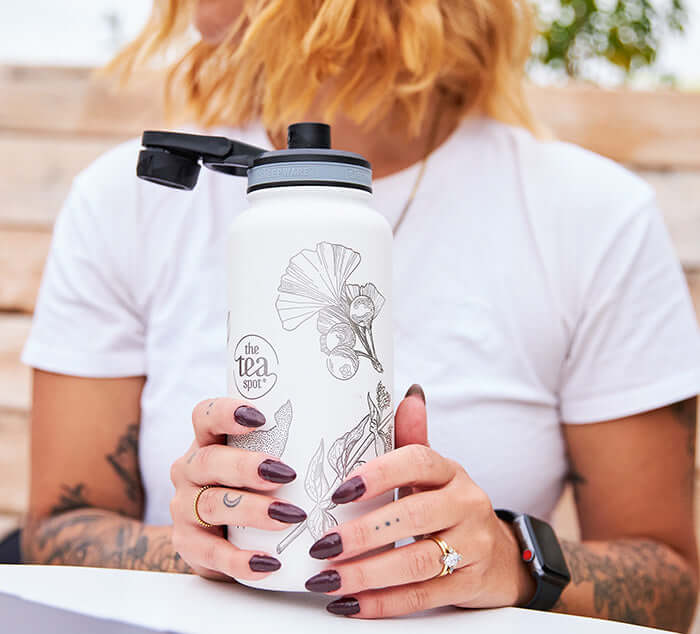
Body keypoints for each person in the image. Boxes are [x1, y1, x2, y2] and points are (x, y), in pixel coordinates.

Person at [21, 0, 700, 630]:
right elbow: (53, 533)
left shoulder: (591, 219)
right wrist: (196, 550)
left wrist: (511, 560)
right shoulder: (127, 204)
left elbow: (670, 585)